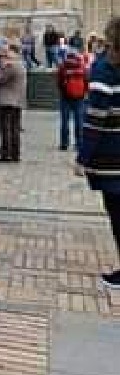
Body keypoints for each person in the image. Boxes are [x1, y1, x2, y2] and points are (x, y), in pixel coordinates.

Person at [77, 16, 120, 289]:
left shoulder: (105, 70)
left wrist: (83, 157)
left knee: (118, 214)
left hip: (112, 158)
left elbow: (96, 119)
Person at [0, 41, 26, 163]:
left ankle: (6, 154)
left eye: (8, 51)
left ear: (13, 52)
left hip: (7, 101)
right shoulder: (21, 64)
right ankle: (15, 154)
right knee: (15, 128)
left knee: (6, 129)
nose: (5, 53)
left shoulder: (11, 65)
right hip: (17, 101)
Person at [56, 47, 88, 151]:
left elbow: (59, 82)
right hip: (79, 97)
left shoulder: (63, 66)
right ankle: (79, 144)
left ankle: (64, 144)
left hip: (65, 97)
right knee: (79, 121)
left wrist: (63, 90)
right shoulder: (82, 66)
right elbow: (87, 81)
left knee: (64, 121)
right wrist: (84, 92)